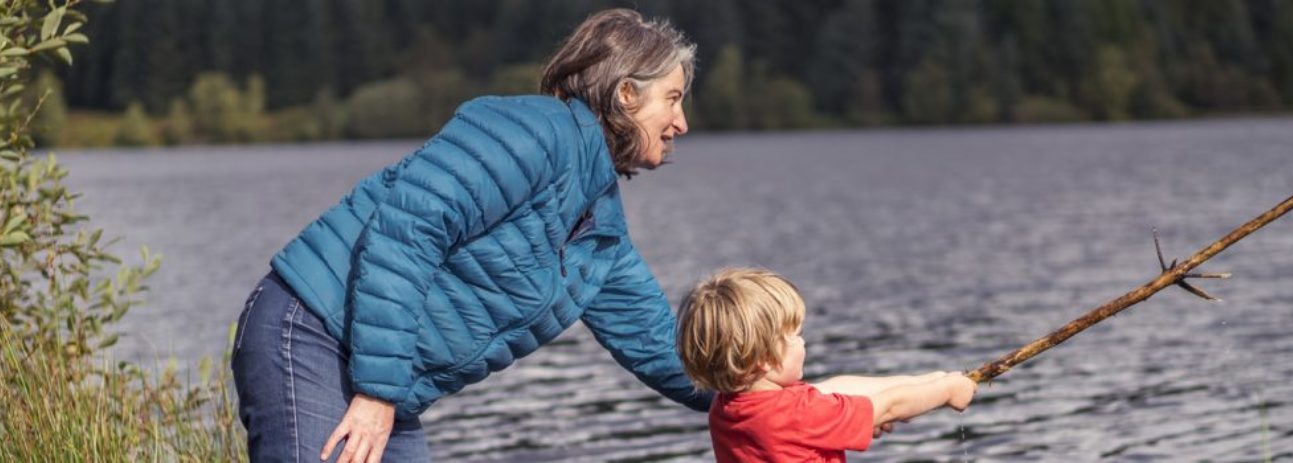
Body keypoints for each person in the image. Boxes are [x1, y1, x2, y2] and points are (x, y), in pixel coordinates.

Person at [230, 9, 705, 463]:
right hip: (315, 330)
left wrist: (769, 395)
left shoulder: (599, 229)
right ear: (626, 94)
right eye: (673, 98)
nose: (681, 123)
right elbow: (406, 236)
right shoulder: (533, 133)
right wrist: (377, 390)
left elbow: (661, 347)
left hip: (385, 379)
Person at [676, 268, 977, 462]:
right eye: (795, 336)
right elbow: (888, 407)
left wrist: (925, 383)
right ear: (764, 359)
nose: (803, 342)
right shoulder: (798, 414)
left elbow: (832, 388)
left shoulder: (729, 407)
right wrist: (948, 391)